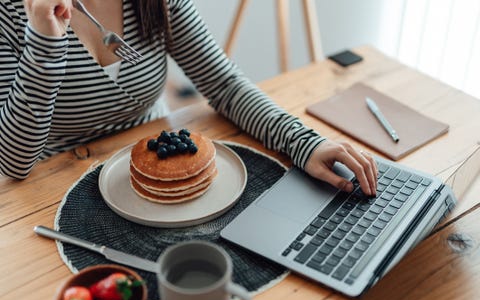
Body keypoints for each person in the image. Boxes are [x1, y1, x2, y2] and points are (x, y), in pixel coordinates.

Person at [0, 0, 377, 196]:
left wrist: (303, 143)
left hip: (162, 172)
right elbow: (13, 162)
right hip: (53, 184)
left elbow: (224, 84)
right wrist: (45, 44)